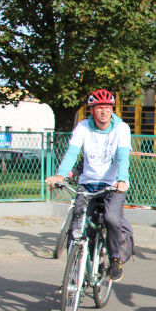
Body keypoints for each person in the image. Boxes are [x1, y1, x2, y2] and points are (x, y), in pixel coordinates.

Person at [44, 89, 131, 280]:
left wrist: (122, 179)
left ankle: (115, 258)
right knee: (78, 228)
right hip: (88, 185)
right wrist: (60, 175)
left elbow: (124, 156)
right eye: (100, 108)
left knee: (111, 218)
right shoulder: (83, 127)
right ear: (92, 110)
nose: (104, 112)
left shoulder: (121, 128)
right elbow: (72, 153)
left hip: (112, 186)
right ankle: (74, 277)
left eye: (108, 108)